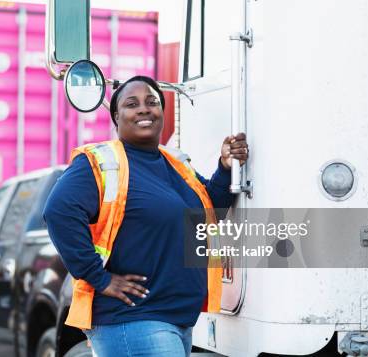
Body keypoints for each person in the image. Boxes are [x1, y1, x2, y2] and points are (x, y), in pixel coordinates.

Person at [43, 75, 249, 357]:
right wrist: (99, 278)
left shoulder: (176, 164)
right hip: (133, 320)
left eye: (152, 102)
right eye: (132, 104)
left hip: (175, 320)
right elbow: (58, 212)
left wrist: (226, 166)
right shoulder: (101, 162)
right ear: (116, 117)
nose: (144, 109)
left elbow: (209, 211)